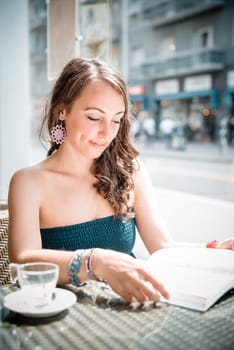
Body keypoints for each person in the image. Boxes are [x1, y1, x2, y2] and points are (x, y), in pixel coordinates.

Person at [8, 58, 234, 304]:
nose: (107, 133)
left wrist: (214, 248)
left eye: (117, 120)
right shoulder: (29, 182)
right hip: (62, 320)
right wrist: (95, 262)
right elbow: (20, 262)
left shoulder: (130, 171)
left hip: (129, 311)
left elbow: (163, 249)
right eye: (94, 117)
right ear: (62, 110)